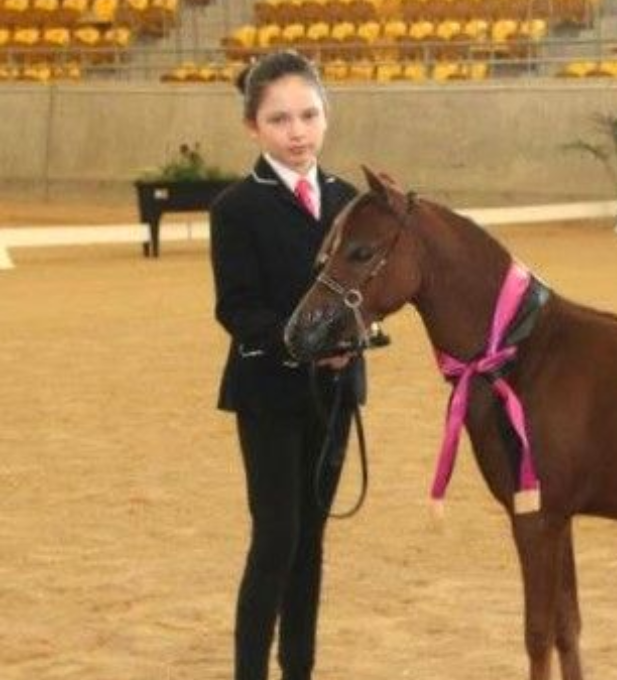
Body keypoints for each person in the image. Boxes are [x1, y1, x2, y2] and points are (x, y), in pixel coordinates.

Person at [209, 50, 364, 680]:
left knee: (312, 544)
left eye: (308, 115)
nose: (297, 131)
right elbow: (238, 309)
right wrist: (302, 345)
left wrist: (358, 333)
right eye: (279, 120)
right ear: (254, 127)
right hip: (268, 392)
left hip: (336, 394)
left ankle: (299, 670)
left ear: (326, 117)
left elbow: (368, 289)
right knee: (277, 538)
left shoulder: (352, 200)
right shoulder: (236, 208)